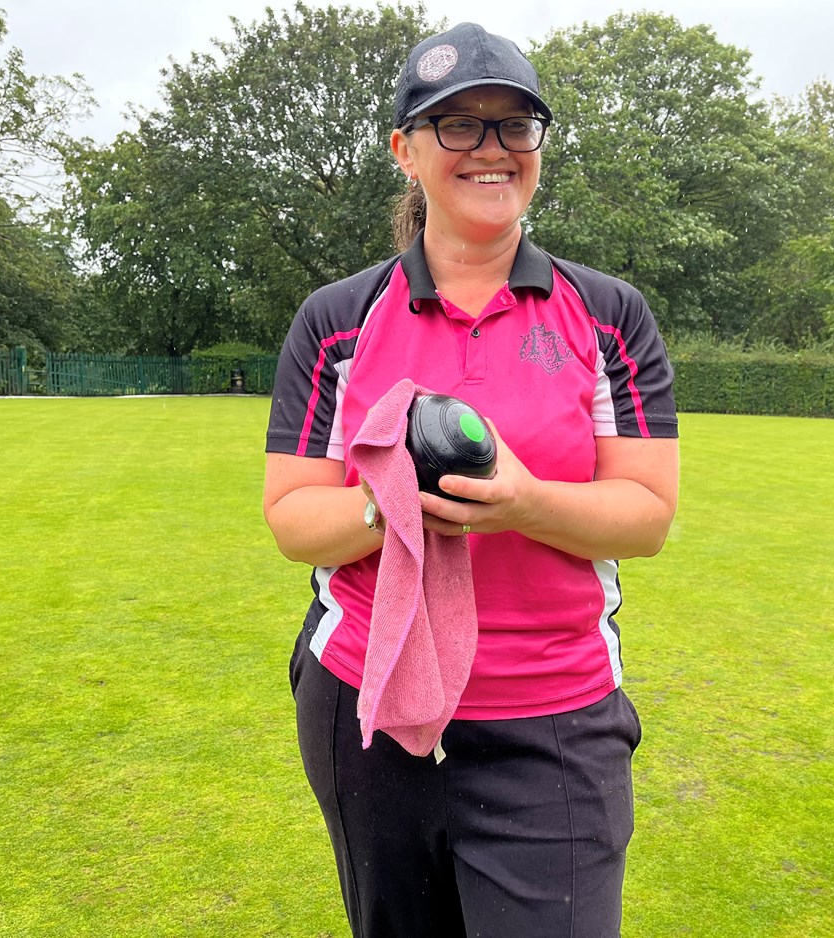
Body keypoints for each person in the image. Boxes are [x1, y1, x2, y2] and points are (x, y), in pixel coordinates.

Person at [262, 22, 679, 938]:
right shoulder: (337, 319)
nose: (490, 148)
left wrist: (524, 503)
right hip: (371, 710)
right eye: (457, 124)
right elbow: (293, 517)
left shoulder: (609, 315)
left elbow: (646, 516)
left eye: (513, 125)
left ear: (536, 149)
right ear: (405, 150)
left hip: (555, 721)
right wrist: (394, 507)